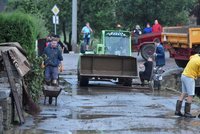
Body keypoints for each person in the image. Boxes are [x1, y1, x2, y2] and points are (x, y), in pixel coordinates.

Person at [175, 54, 200, 118]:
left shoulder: (195, 56)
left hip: (184, 75)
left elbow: (190, 57)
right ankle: (187, 113)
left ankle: (177, 111)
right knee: (191, 94)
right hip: (189, 77)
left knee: (184, 93)